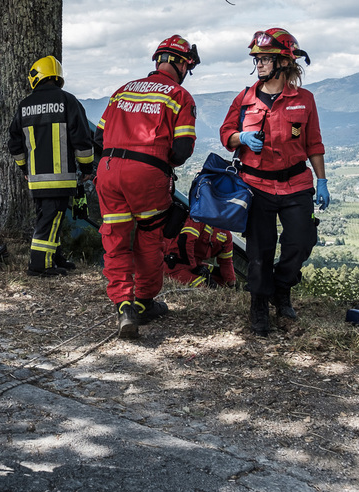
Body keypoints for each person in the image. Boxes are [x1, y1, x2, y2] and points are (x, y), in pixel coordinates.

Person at [220, 28, 327, 337]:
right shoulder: (245, 98)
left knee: (301, 241)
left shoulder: (304, 100)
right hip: (256, 185)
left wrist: (322, 180)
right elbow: (226, 134)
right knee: (260, 251)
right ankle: (259, 303)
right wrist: (242, 137)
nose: (259, 64)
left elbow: (314, 143)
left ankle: (282, 288)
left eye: (266, 59)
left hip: (297, 184)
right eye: (257, 59)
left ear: (284, 62)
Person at [95, 35, 198, 338]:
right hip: (146, 174)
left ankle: (123, 305)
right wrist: (159, 164)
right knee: (151, 238)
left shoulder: (122, 90)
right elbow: (182, 150)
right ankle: (144, 301)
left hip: (109, 170)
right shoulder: (179, 95)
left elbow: (99, 138)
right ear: (181, 64)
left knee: (115, 238)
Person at [7, 55, 95, 276]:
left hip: (36, 178)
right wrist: (86, 168)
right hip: (60, 178)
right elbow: (82, 139)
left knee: (49, 217)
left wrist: (24, 169)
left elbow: (14, 144)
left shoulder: (24, 106)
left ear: (35, 77)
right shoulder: (68, 101)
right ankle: (39, 265)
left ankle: (54, 257)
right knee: (50, 219)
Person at [163, 217, 236, 288]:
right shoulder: (199, 218)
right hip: (176, 264)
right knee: (207, 287)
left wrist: (232, 284)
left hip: (196, 264)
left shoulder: (226, 234)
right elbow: (185, 243)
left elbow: (226, 261)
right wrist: (194, 268)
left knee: (221, 278)